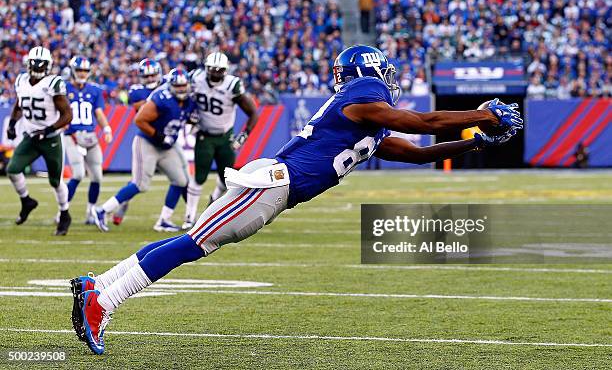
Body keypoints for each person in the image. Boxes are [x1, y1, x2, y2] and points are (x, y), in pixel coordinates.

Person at [70, 45, 522, 354]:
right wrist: (483, 112)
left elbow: (418, 153)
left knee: (192, 239)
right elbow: (424, 121)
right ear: (368, 73)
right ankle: (103, 302)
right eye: (383, 73)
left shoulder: (365, 118)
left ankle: (99, 285)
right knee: (193, 244)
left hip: (275, 187)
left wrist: (474, 141)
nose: (388, 80)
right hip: (273, 185)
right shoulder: (363, 98)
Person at [91, 68, 197, 232]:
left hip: (166, 146)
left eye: (184, 86)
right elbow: (139, 120)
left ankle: (164, 220)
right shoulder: (162, 99)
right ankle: (102, 210)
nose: (182, 89)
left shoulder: (190, 100)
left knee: (181, 181)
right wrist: (159, 135)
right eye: (178, 86)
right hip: (147, 143)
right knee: (140, 184)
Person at [183, 52, 259, 229]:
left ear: (225, 71)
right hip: (204, 134)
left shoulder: (232, 85)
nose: (216, 73)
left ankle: (213, 201)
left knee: (227, 178)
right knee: (199, 177)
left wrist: (244, 135)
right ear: (206, 68)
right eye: (213, 70)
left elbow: (253, 112)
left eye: (220, 70)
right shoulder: (195, 78)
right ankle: (189, 217)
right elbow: (183, 98)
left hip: (225, 137)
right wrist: (188, 114)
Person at [7, 46, 73, 236]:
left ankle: (64, 213)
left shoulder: (53, 83)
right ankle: (27, 201)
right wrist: (12, 123)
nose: (37, 67)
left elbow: (67, 115)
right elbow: (20, 104)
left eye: (40, 64)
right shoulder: (21, 80)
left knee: (55, 181)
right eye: (34, 63)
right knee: (12, 169)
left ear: (48, 65)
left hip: (50, 138)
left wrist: (48, 130)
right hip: (31, 136)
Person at [112, 59, 163, 226]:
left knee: (182, 178)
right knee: (138, 181)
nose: (149, 78)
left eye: (152, 75)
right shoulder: (137, 91)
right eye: (146, 75)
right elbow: (142, 111)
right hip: (149, 138)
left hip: (168, 138)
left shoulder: (169, 86)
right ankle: (119, 204)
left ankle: (187, 218)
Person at [64, 56, 113, 223]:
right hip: (71, 135)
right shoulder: (63, 88)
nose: (82, 73)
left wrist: (106, 128)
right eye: (79, 70)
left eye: (85, 70)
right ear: (72, 71)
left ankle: (91, 212)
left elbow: (98, 113)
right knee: (77, 174)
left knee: (97, 177)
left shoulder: (95, 90)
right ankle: (63, 211)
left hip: (90, 136)